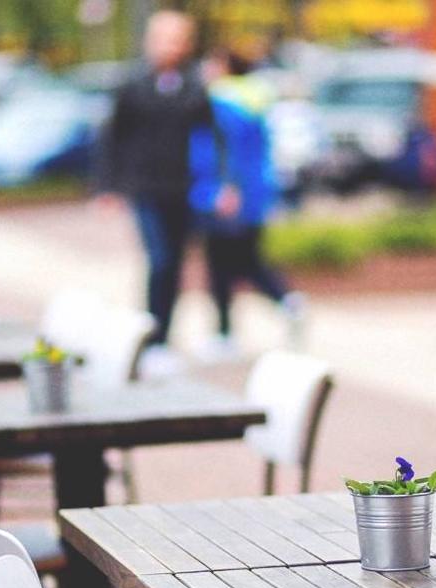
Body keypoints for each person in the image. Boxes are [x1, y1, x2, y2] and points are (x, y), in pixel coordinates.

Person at [93, 10, 235, 375]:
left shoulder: (195, 86)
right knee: (160, 261)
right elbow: (112, 137)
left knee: (176, 264)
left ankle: (164, 336)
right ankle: (152, 339)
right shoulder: (133, 84)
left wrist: (222, 184)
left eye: (177, 39)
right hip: (146, 189)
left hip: (183, 190)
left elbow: (215, 138)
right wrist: (108, 186)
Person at [189, 48, 304, 359]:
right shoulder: (256, 99)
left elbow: (220, 152)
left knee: (222, 267)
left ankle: (226, 334)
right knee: (248, 260)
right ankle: (286, 301)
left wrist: (222, 190)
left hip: (226, 197)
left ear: (224, 66)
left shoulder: (221, 103)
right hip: (254, 195)